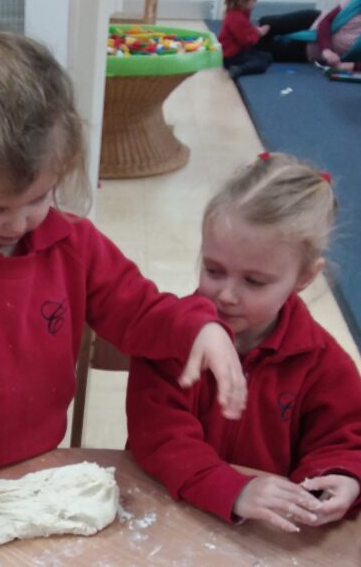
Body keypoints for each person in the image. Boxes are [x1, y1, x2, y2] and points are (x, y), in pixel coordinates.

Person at [0, 9, 247, 515]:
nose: (19, 222)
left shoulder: (73, 245)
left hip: (41, 465)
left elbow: (140, 315)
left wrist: (200, 328)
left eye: (38, 198)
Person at [126, 153, 361, 532]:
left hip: (261, 538)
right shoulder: (170, 339)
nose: (227, 295)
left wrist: (339, 477)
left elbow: (344, 440)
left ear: (304, 276)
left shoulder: (323, 363)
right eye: (214, 270)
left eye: (254, 281)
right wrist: (231, 489)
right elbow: (158, 439)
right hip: (163, 513)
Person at [256, 0, 361, 71]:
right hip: (312, 22)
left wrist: (351, 66)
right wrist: (327, 50)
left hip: (309, 51)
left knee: (261, 49)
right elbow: (326, 22)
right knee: (266, 23)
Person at [219, 0, 272, 79]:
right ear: (242, 1)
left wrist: (254, 31)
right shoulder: (237, 17)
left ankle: (239, 67)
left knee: (266, 56)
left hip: (233, 52)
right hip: (231, 56)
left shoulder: (239, 12)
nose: (255, 4)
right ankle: (239, 69)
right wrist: (258, 33)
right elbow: (246, 41)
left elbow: (245, 29)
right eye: (254, 0)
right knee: (263, 61)